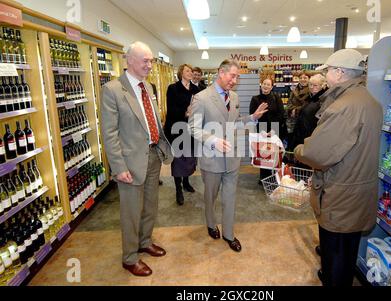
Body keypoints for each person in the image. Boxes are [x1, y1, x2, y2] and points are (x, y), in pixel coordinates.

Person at [294, 49, 382, 286]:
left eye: (328, 71)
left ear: (340, 73)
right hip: (358, 189)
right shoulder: (369, 100)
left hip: (341, 192)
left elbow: (319, 153)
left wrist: (299, 150)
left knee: (336, 254)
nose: (326, 76)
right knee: (347, 250)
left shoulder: (343, 106)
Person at [101, 41, 174, 277]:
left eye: (151, 60)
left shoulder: (149, 87)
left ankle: (145, 241)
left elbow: (151, 119)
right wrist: (118, 166)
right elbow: (109, 133)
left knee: (150, 205)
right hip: (130, 163)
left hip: (153, 155)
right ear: (129, 60)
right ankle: (130, 257)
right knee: (131, 212)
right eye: (145, 60)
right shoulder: (112, 90)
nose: (150, 65)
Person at [188, 59, 268, 252]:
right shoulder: (201, 98)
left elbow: (234, 123)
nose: (235, 80)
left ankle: (229, 234)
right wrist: (213, 140)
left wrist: (252, 118)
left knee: (230, 198)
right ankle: (210, 223)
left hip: (232, 158)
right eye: (233, 76)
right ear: (221, 72)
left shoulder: (234, 97)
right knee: (211, 196)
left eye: (237, 77)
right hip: (212, 159)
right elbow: (192, 127)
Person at [164, 64, 199, 205]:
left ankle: (186, 182)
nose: (190, 72)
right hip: (177, 129)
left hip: (191, 129)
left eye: (191, 71)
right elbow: (171, 109)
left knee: (189, 157)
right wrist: (185, 112)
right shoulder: (173, 88)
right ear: (181, 73)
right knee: (178, 160)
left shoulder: (195, 89)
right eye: (187, 70)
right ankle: (178, 189)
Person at [249, 77, 286, 182]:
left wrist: (274, 130)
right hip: (262, 129)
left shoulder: (276, 98)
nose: (265, 86)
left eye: (268, 84)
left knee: (275, 154)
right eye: (264, 84)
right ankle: (264, 178)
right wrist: (262, 131)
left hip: (275, 129)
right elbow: (252, 115)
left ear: (272, 87)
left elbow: (281, 114)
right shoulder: (255, 99)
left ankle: (275, 178)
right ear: (261, 85)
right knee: (264, 154)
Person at [290, 74, 328, 155]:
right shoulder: (311, 97)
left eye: (315, 85)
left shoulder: (324, 100)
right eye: (310, 84)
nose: (312, 87)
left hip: (311, 138)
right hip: (302, 135)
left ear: (323, 86)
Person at [286, 71, 310, 151]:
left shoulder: (311, 91)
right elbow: (289, 103)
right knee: (292, 142)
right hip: (292, 121)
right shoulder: (294, 90)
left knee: (302, 142)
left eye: (305, 78)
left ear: (309, 79)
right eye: (301, 78)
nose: (303, 79)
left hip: (304, 121)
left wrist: (296, 110)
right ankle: (291, 160)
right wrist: (291, 109)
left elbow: (308, 105)